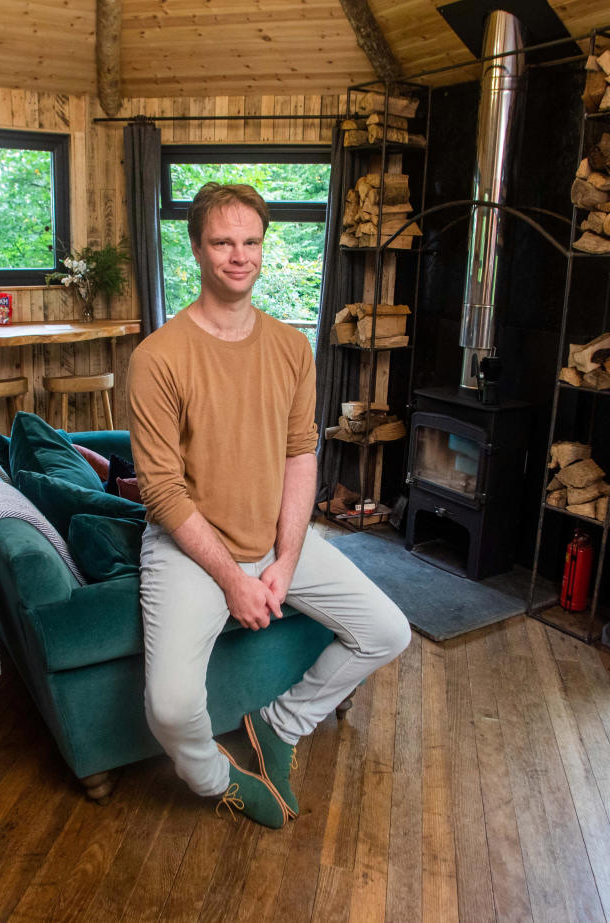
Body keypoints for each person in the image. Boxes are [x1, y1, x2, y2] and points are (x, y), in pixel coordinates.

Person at [127, 182, 411, 828]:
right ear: (196, 248)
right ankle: (214, 778)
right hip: (190, 549)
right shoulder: (157, 358)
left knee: (388, 631)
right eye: (223, 242)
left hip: (276, 540)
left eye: (251, 241)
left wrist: (285, 558)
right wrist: (234, 579)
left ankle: (280, 725)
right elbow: (163, 491)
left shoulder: (291, 346)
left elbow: (299, 456)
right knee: (170, 706)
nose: (239, 255)